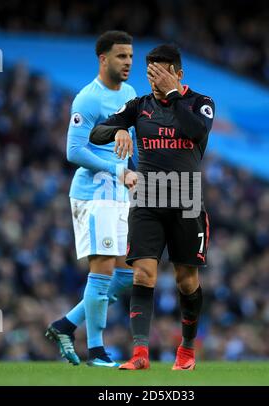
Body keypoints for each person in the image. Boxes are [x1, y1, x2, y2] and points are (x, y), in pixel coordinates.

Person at [89, 44, 215, 370]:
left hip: (187, 201)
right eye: (150, 74)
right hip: (148, 199)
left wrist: (173, 95)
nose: (154, 80)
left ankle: (186, 350)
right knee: (144, 274)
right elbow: (96, 132)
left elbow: (196, 132)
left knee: (186, 280)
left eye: (160, 74)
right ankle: (140, 353)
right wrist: (118, 129)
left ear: (178, 74)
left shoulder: (201, 104)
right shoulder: (139, 105)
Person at [46, 31, 138, 368]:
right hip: (93, 196)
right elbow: (73, 150)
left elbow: (129, 143)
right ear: (103, 59)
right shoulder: (87, 99)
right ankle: (96, 351)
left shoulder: (130, 93)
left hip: (119, 195)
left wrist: (134, 172)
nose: (128, 62)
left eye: (130, 56)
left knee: (128, 274)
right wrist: (117, 170)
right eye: (120, 56)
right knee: (101, 271)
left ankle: (65, 325)